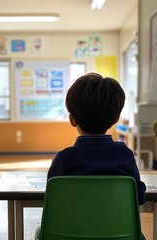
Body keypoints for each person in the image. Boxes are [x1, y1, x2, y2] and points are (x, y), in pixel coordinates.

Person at [47, 73, 146, 206]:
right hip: (117, 227)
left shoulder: (64, 159)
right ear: (116, 119)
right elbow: (139, 198)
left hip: (73, 227)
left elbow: (52, 200)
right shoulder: (125, 155)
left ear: (72, 119)